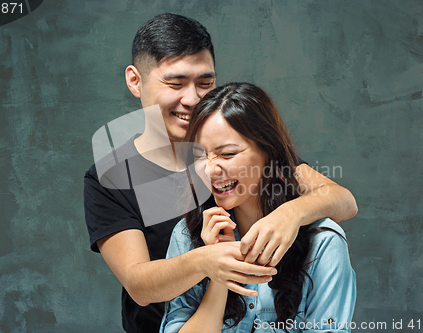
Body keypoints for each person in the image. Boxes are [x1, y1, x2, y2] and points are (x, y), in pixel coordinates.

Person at [84, 13, 358, 333]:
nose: (193, 98)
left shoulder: (249, 155)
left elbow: (342, 200)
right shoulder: (112, 178)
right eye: (175, 83)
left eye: (205, 82)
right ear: (135, 80)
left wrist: (290, 214)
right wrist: (211, 261)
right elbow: (140, 284)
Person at [160, 82, 356, 333]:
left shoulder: (323, 244)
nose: (209, 170)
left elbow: (346, 201)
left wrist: (290, 214)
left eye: (228, 154)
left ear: (268, 152)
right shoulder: (188, 235)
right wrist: (220, 275)